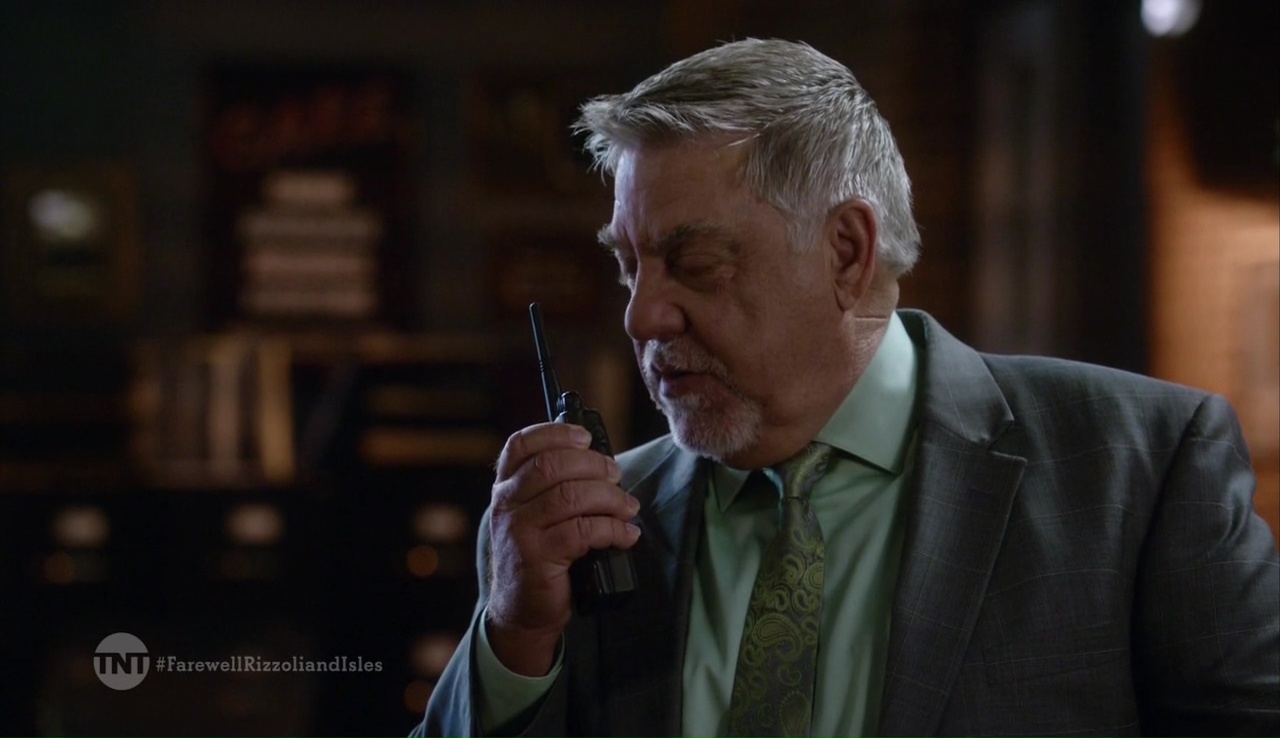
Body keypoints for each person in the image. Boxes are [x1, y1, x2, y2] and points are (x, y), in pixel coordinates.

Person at [413, 39, 1279, 737]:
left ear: (847, 253)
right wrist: (515, 640)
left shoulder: (1142, 468)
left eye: (694, 263)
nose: (642, 317)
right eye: (629, 267)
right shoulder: (585, 531)